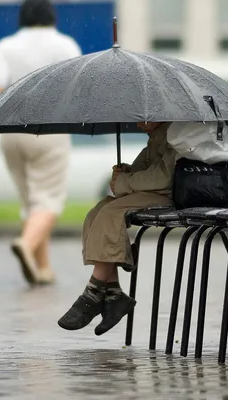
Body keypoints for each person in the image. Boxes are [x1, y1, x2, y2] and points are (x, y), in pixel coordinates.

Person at [0, 0, 82, 285]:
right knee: (48, 202)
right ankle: (26, 245)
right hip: (49, 130)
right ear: (52, 16)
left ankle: (42, 269)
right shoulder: (65, 45)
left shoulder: (6, 46)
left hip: (11, 131)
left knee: (31, 203)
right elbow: (77, 87)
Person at [58, 122, 176, 335]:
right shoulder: (156, 137)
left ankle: (93, 292)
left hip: (169, 196)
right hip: (155, 193)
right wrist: (126, 172)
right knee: (97, 212)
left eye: (144, 119)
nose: (139, 123)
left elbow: (165, 178)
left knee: (111, 213)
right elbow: (147, 170)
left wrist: (125, 181)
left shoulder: (173, 135)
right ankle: (113, 294)